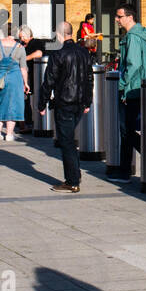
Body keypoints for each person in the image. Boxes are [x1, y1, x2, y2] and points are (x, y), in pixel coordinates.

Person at [38, 21, 93, 192]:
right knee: (69, 139)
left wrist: (42, 103)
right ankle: (75, 174)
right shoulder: (84, 53)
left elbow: (49, 81)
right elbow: (89, 79)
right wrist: (87, 101)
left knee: (66, 141)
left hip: (65, 102)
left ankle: (72, 180)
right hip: (79, 102)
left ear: (59, 34)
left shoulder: (58, 55)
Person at [112, 4, 146, 180]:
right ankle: (126, 168)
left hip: (131, 90)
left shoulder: (133, 37)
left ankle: (128, 169)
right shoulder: (139, 35)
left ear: (130, 17)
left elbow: (133, 64)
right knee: (128, 128)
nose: (116, 19)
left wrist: (122, 85)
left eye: (119, 16)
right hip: (139, 88)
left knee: (126, 129)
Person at [0, 24, 28, 141]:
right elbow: (23, 68)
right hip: (15, 78)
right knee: (13, 105)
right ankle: (9, 134)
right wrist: (25, 83)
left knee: (0, 105)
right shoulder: (20, 47)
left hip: (0, 77)